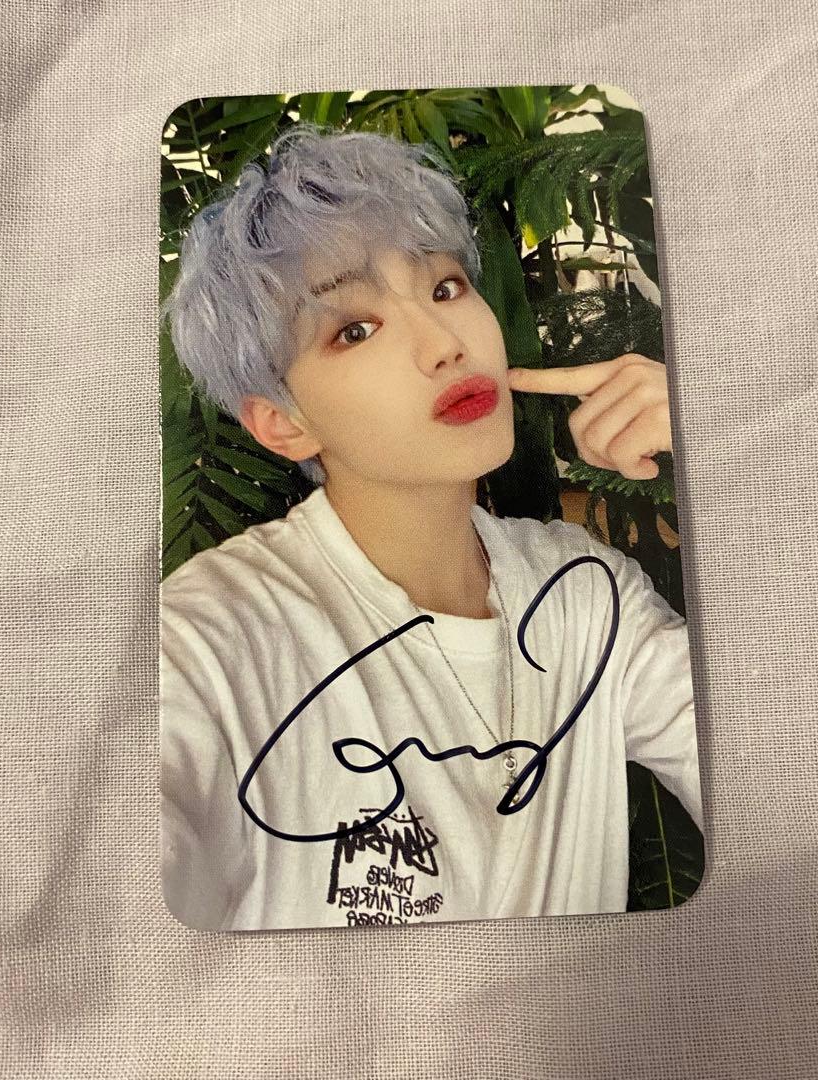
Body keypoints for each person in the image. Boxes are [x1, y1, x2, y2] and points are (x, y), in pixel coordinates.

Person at [159, 121, 702, 931]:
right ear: (282, 423)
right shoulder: (207, 638)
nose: (445, 344)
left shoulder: (589, 598)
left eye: (445, 287)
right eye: (355, 329)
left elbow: (804, 774)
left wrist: (724, 444)